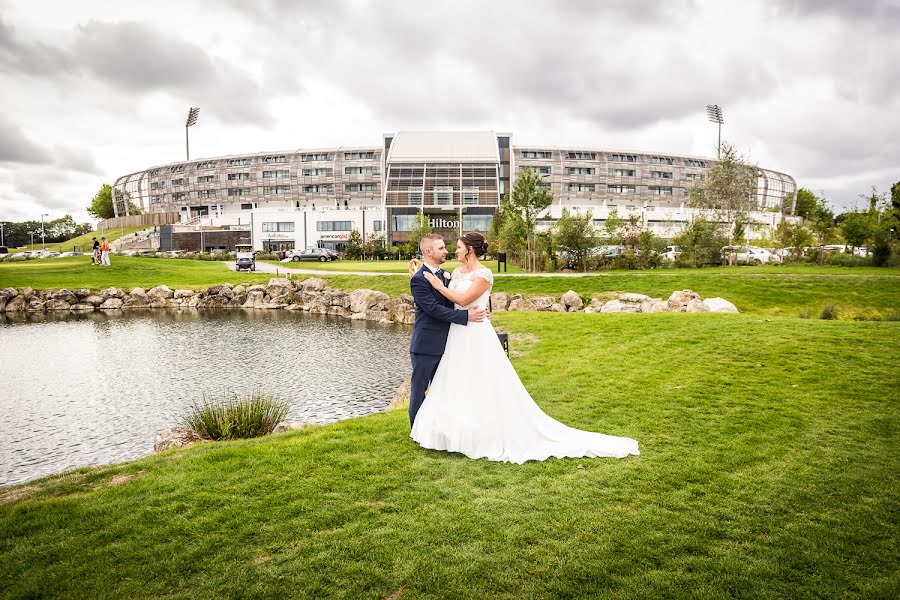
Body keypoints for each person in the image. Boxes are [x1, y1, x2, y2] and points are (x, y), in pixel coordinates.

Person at [410, 232, 639, 463]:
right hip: (457, 334)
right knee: (456, 380)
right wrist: (438, 284)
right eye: (446, 248)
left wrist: (442, 287)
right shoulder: (456, 273)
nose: (453, 251)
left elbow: (463, 299)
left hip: (475, 332)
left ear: (469, 249)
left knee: (482, 379)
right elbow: (450, 300)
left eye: (458, 247)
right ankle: (448, 430)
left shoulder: (484, 273)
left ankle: (484, 431)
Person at [408, 234, 488, 428]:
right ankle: (417, 431)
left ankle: (440, 429)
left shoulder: (447, 275)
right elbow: (433, 309)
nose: (447, 251)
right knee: (419, 390)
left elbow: (460, 298)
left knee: (443, 389)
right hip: (427, 344)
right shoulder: (419, 280)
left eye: (446, 247)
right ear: (428, 251)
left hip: (451, 341)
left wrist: (483, 307)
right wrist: (465, 316)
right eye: (441, 248)